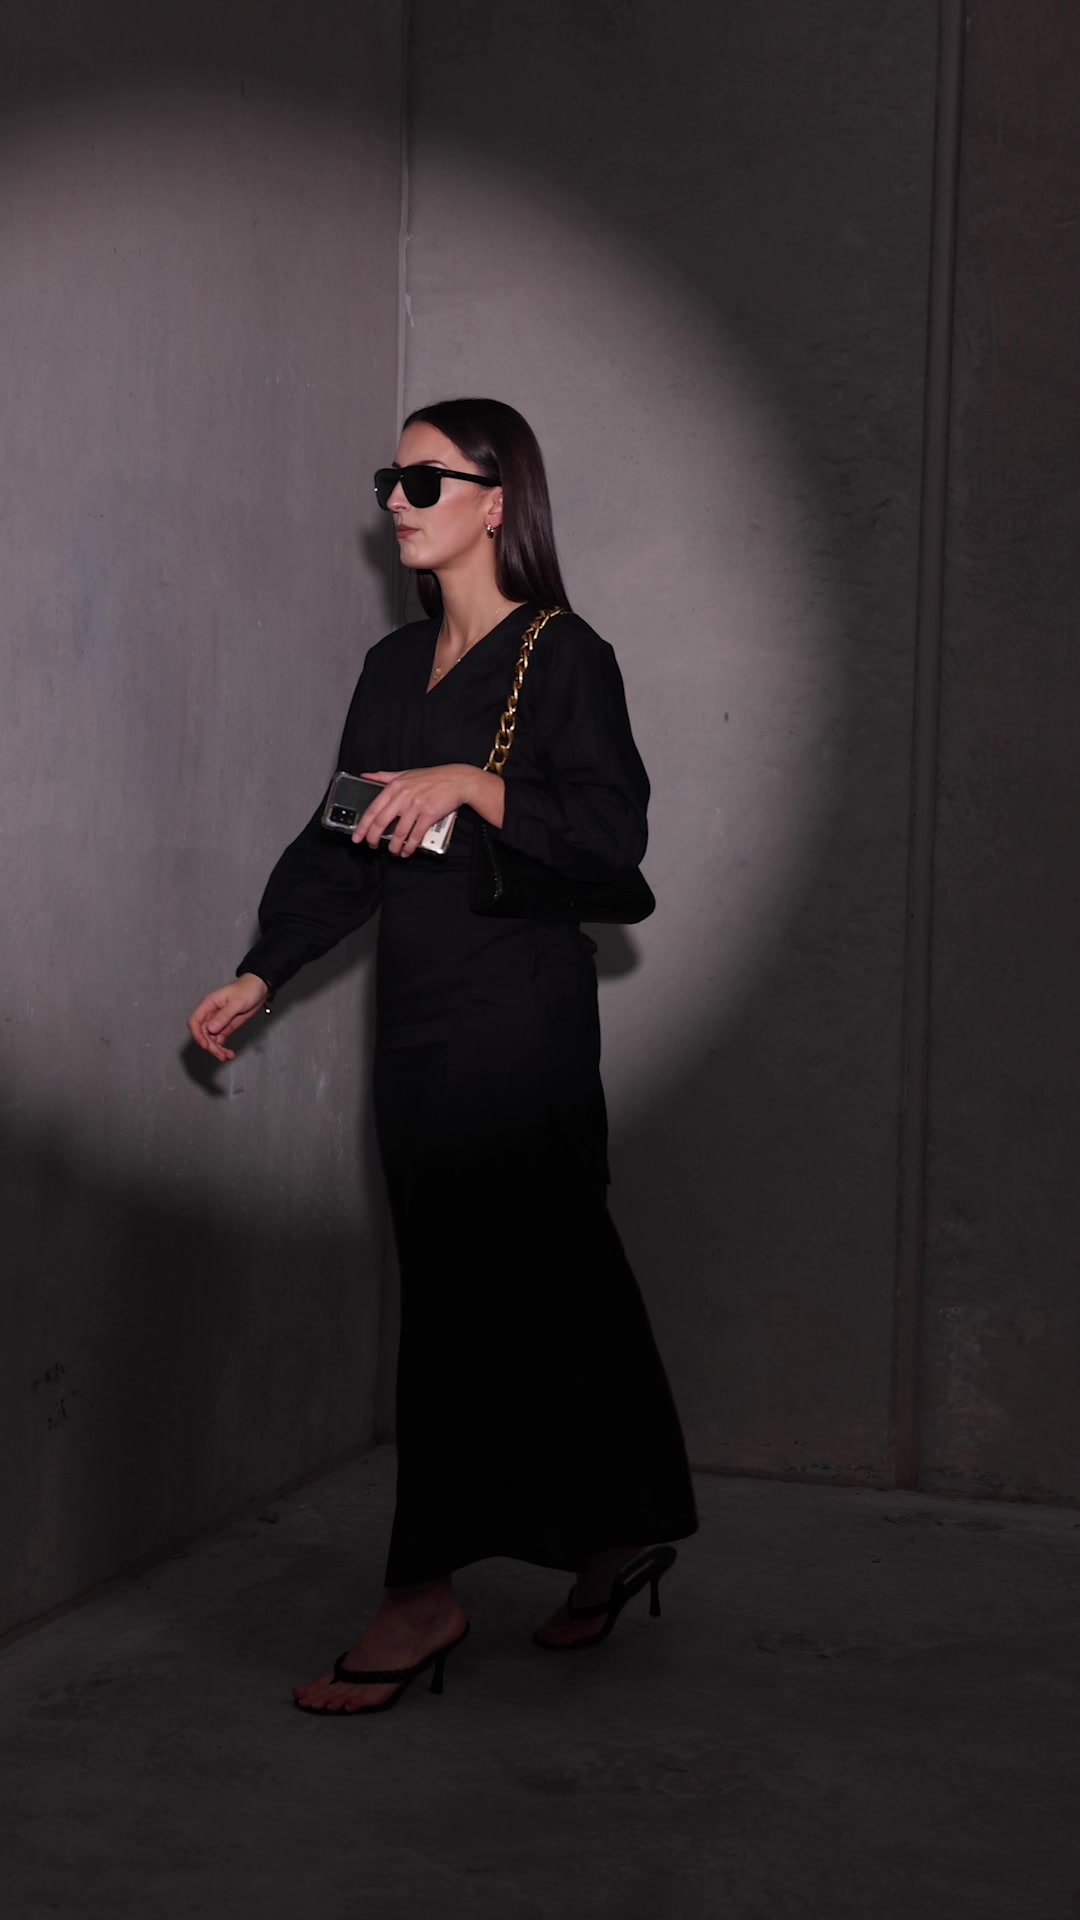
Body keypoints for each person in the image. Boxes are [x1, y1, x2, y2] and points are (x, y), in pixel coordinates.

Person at [187, 397, 699, 1716]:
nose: (397, 502)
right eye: (390, 480)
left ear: (496, 500)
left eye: (425, 481)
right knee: (555, 1282)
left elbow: (613, 842)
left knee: (472, 1300)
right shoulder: (388, 669)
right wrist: (262, 970)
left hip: (518, 1020)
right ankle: (619, 1532)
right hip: (419, 1018)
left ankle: (420, 1596)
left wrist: (475, 785)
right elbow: (340, 842)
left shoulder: (564, 655)